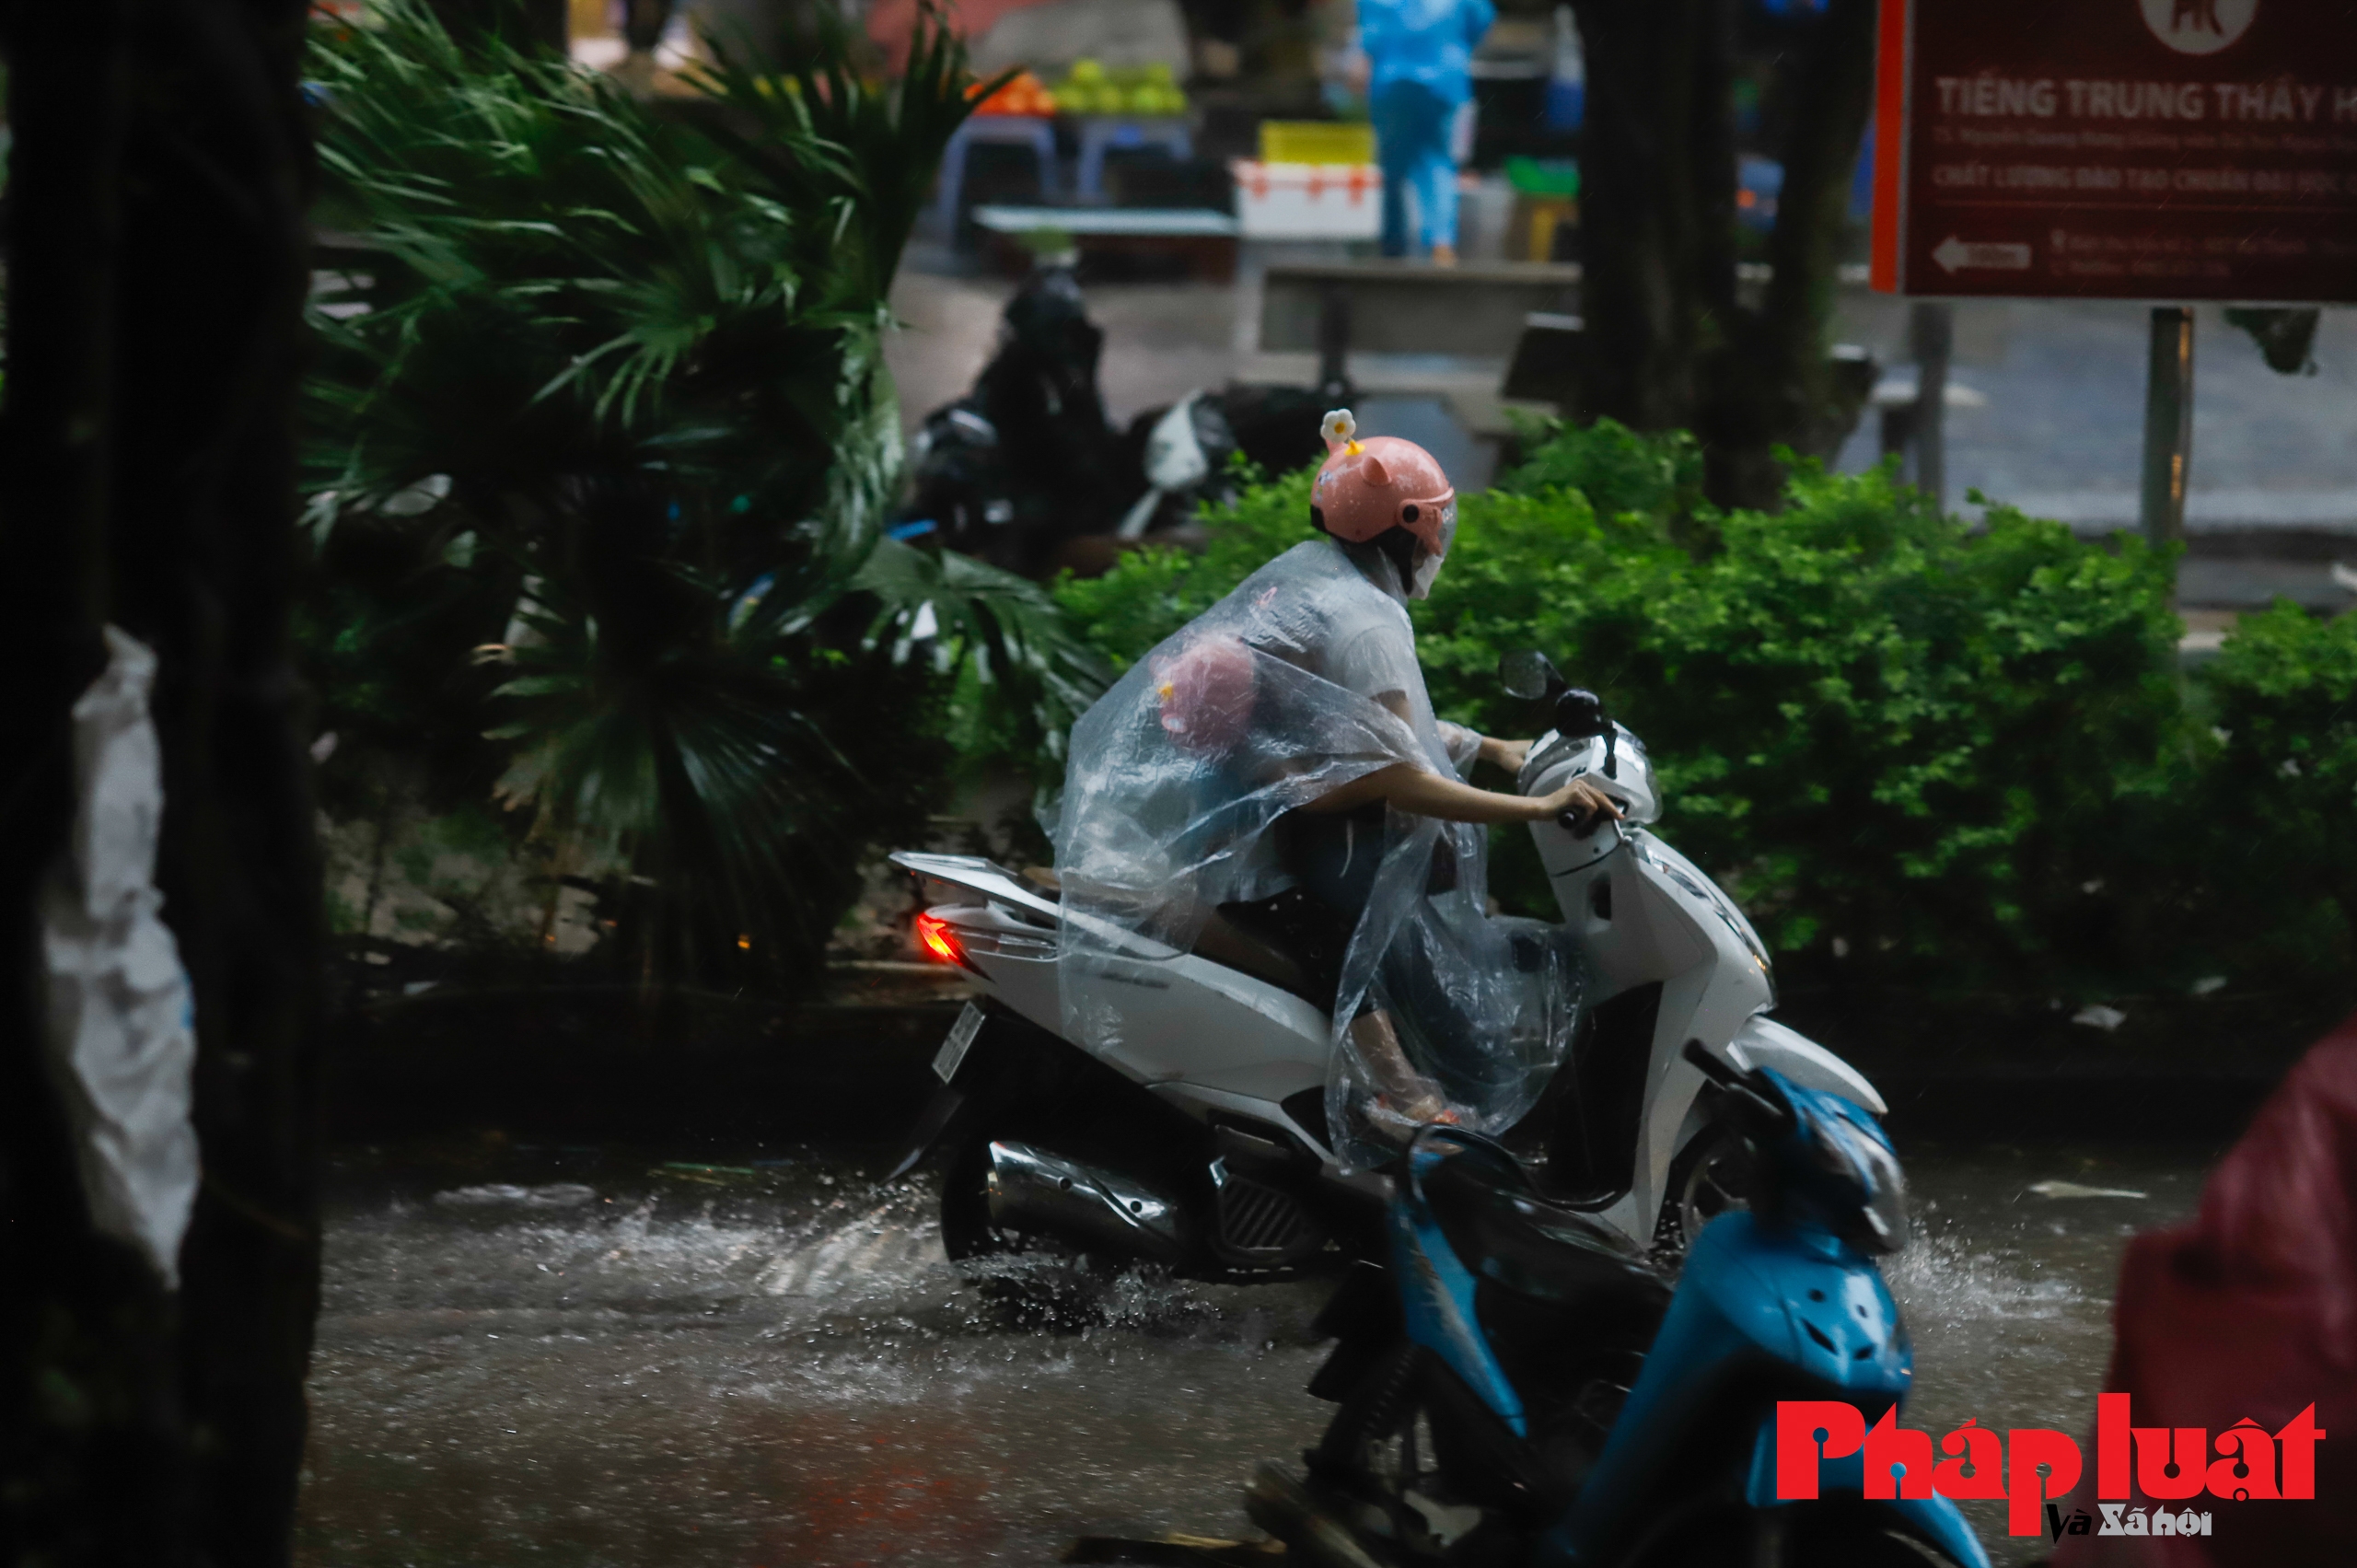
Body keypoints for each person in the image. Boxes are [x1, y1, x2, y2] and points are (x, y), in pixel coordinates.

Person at [1051, 410, 1616, 1158]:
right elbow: (1396, 773)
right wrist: (1536, 805)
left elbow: (1359, 731)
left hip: (1252, 807)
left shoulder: (1317, 576)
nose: (1442, 543)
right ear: (1411, 528)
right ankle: (1402, 1096)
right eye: (1438, 525)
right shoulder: (1368, 623)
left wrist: (1493, 747)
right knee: (1343, 938)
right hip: (1251, 843)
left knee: (1389, 918)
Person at [1356, 0, 1496, 263]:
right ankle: (1440, 242)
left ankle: (1393, 245)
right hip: (1446, 79)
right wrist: (1455, 43)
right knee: (1439, 160)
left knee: (1393, 169)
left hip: (1393, 81)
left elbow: (1370, 38)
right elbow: (1481, 20)